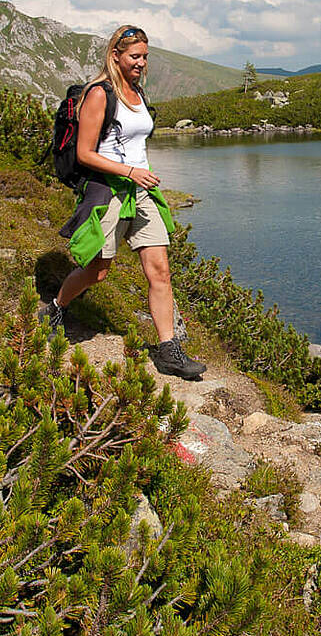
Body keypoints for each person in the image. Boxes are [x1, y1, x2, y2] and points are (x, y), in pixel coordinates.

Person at [42, 25, 205, 381]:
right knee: (97, 272)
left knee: (160, 271)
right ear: (115, 56)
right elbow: (85, 154)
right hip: (109, 191)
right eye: (135, 57)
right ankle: (55, 307)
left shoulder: (139, 93)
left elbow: (135, 142)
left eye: (145, 57)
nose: (141, 63)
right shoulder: (99, 94)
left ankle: (169, 351)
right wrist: (129, 172)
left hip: (142, 191)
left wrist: (139, 173)